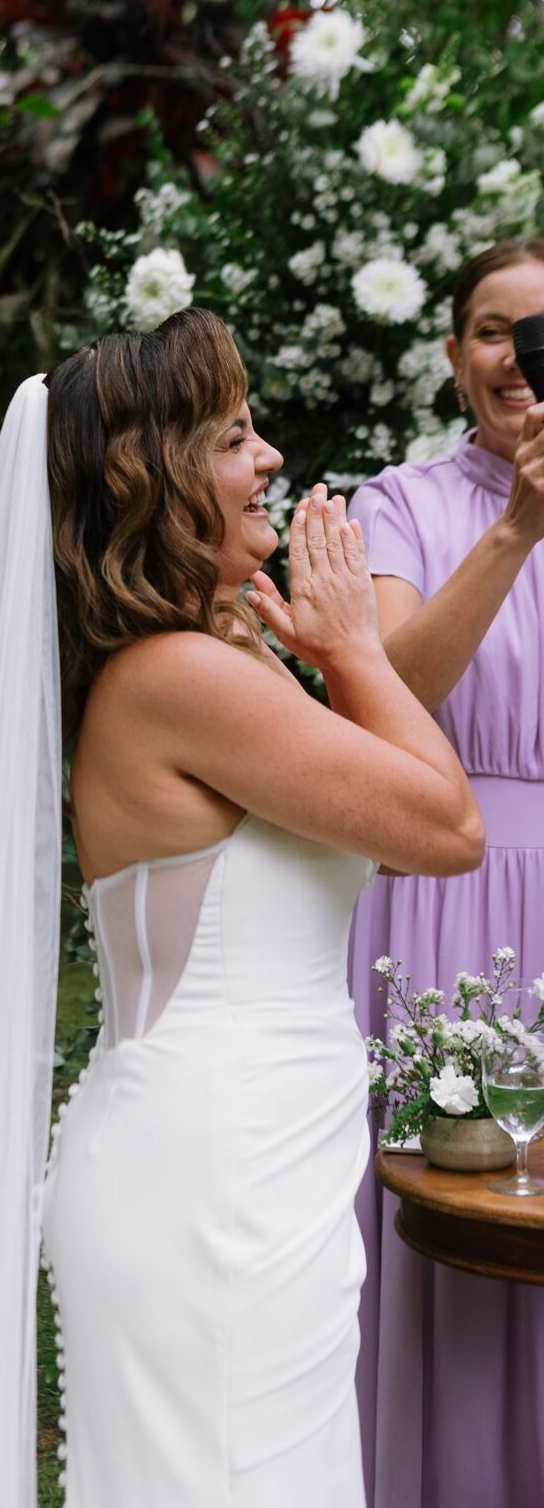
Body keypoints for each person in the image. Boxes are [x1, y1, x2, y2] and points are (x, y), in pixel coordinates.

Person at [0, 308, 482, 1508]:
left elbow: (396, 832)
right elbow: (445, 829)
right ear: (147, 480)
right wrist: (354, 652)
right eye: (231, 436)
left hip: (256, 1166)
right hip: (211, 1183)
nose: (267, 459)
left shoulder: (220, 656)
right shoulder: (177, 678)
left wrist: (318, 654)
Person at [347, 236, 544, 1508]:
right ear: (451, 355)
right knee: (446, 1221)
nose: (516, 357)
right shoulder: (396, 504)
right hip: (440, 900)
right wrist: (522, 522)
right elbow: (389, 697)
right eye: (490, 329)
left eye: (540, 331)